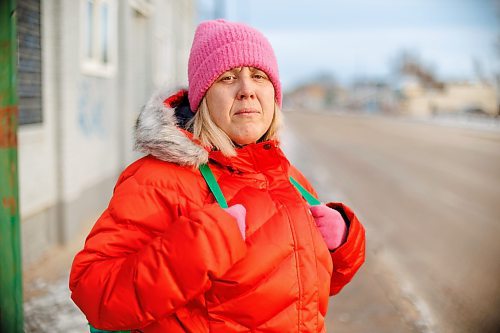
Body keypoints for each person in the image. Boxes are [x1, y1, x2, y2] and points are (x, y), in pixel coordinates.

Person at [69, 19, 365, 333]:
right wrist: (196, 248)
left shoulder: (289, 179)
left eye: (258, 76)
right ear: (202, 98)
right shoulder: (158, 179)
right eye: (227, 77)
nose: (247, 90)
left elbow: (300, 292)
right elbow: (95, 295)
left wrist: (344, 245)